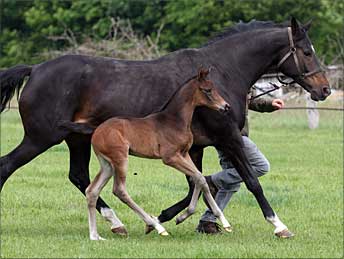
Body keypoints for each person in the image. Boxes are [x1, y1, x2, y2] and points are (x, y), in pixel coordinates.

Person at [196, 93, 284, 234]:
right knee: (261, 166)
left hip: (231, 136)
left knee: (231, 182)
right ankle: (211, 181)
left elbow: (247, 99)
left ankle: (207, 222)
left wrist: (269, 104)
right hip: (232, 136)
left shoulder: (239, 76)